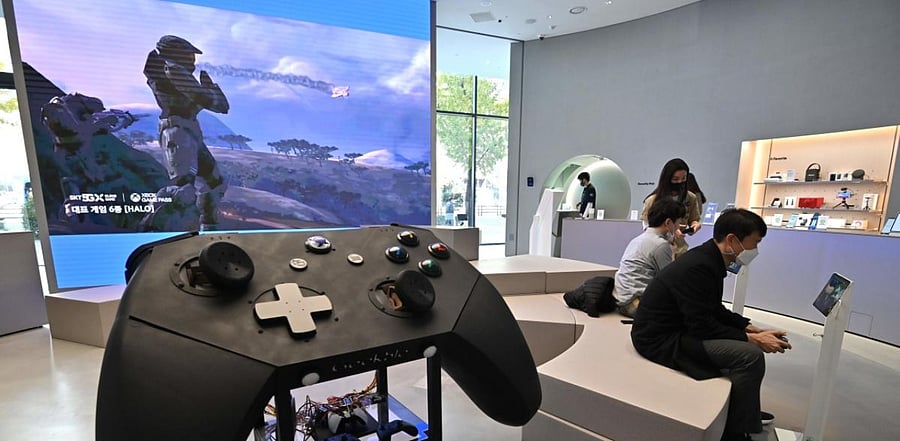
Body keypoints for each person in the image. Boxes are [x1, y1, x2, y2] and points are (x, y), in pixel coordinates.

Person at [631, 208, 791, 441]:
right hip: (660, 339)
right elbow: (702, 325)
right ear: (732, 240)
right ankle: (736, 432)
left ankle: (744, 414)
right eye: (754, 243)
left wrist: (749, 327)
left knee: (746, 351)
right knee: (750, 356)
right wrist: (752, 339)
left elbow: (712, 309)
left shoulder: (708, 259)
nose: (755, 250)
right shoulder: (701, 266)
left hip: (675, 329)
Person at [144, 35, 230, 231]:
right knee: (182, 190)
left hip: (190, 130)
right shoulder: (172, 70)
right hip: (177, 130)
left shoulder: (176, 72)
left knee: (214, 184)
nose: (193, 60)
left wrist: (210, 90)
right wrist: (210, 92)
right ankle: (148, 231)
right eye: (189, 55)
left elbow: (221, 106)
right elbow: (211, 102)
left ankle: (209, 230)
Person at [612, 198, 686, 317]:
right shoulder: (661, 245)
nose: (679, 226)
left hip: (621, 300)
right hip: (636, 305)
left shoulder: (638, 239)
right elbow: (671, 281)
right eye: (677, 222)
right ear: (668, 223)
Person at [641, 158, 701, 257]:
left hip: (680, 249)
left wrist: (695, 226)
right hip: (658, 249)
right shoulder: (652, 200)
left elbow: (694, 219)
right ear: (667, 179)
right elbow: (648, 229)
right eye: (675, 179)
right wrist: (672, 230)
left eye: (683, 179)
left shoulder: (690, 198)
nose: (680, 182)